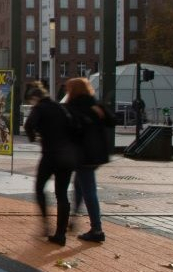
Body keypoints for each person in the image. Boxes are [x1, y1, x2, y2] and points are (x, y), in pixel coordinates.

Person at [23, 82, 78, 245]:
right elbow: (74, 127)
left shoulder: (39, 108)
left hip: (50, 155)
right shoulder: (61, 108)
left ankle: (46, 224)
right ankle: (61, 234)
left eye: (31, 100)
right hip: (66, 156)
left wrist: (34, 137)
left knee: (39, 187)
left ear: (35, 98)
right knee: (62, 194)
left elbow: (28, 125)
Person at [63, 77, 113, 243]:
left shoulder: (72, 106)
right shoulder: (95, 104)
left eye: (69, 89)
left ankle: (97, 229)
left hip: (82, 155)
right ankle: (74, 217)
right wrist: (102, 112)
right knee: (79, 185)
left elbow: (69, 130)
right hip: (97, 154)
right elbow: (112, 121)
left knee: (88, 190)